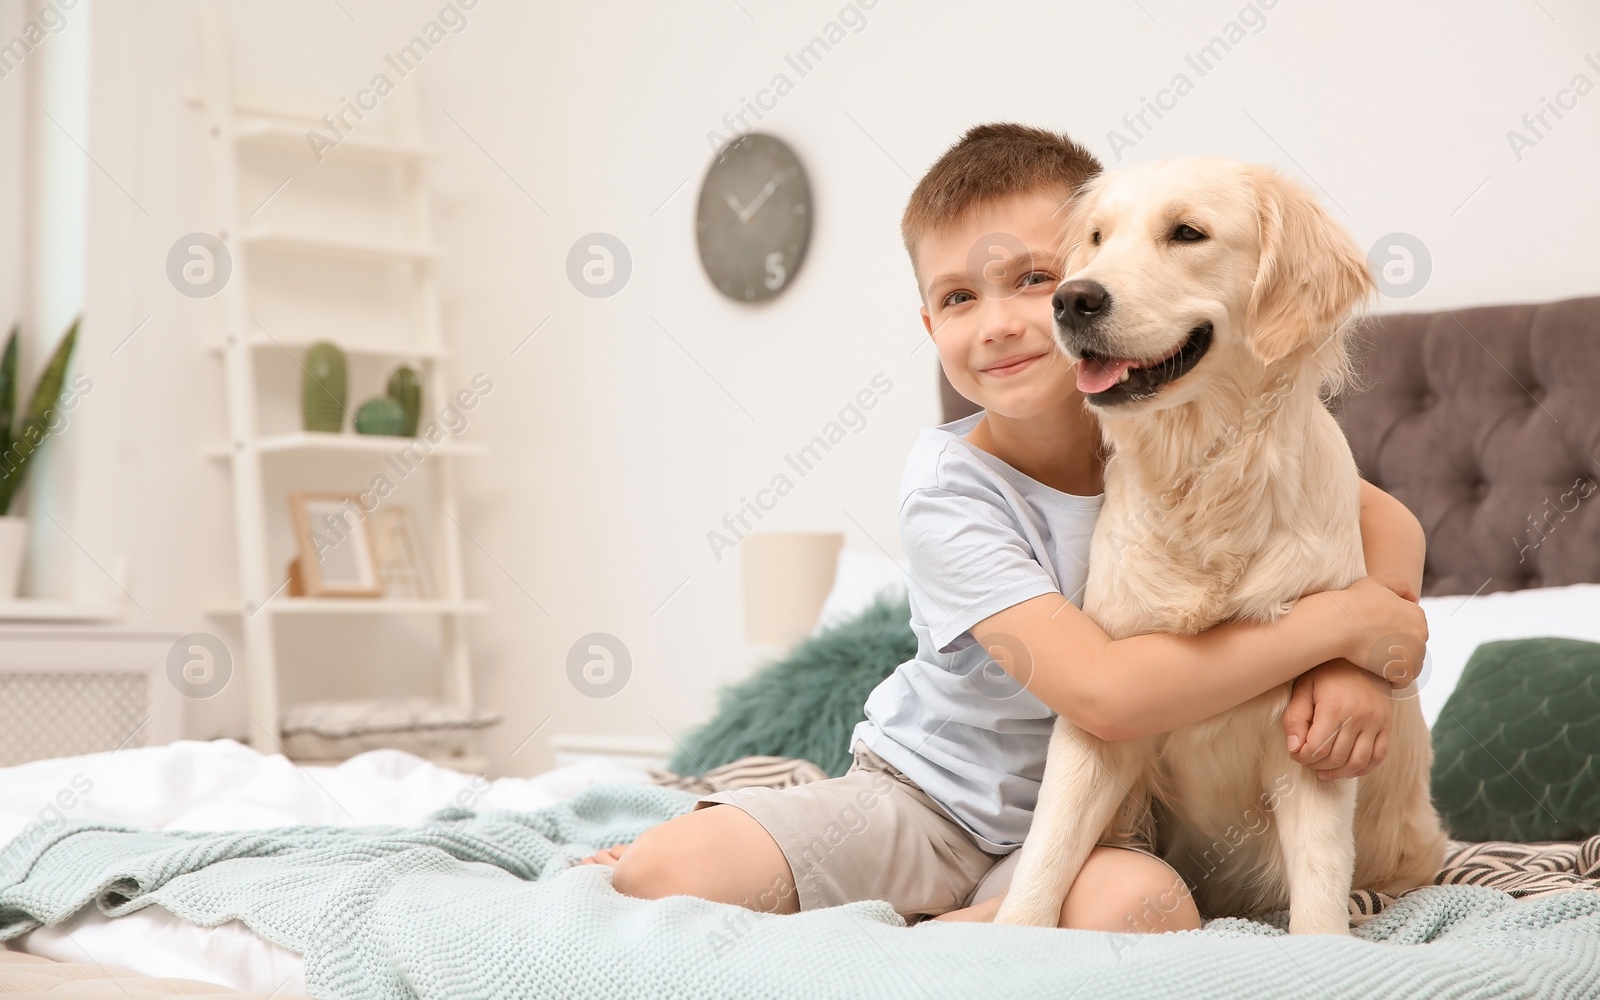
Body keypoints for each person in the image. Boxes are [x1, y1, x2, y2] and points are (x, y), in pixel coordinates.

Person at [582, 124, 1428, 933]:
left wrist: (1360, 664)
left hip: (1096, 834)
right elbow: (1101, 695)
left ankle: (933, 936)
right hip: (926, 796)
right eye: (958, 296)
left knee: (1148, 912)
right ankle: (936, 918)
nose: (1001, 322)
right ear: (930, 326)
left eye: (1034, 278)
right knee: (665, 872)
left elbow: (1382, 519)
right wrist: (1341, 625)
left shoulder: (1176, 442)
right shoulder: (951, 488)